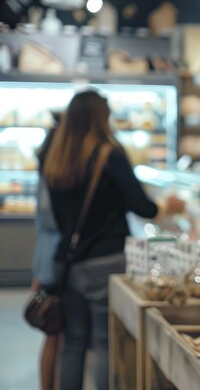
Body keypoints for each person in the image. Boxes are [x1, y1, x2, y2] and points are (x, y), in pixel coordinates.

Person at [40, 90, 184, 390]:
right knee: (105, 343)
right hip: (106, 261)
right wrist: (167, 207)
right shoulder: (109, 154)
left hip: (67, 263)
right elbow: (142, 207)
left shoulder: (56, 157)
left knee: (73, 343)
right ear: (101, 118)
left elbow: (55, 216)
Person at [32, 112, 63, 390]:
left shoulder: (47, 170)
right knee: (56, 334)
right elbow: (53, 223)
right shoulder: (57, 173)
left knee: (53, 334)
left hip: (47, 259)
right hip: (55, 261)